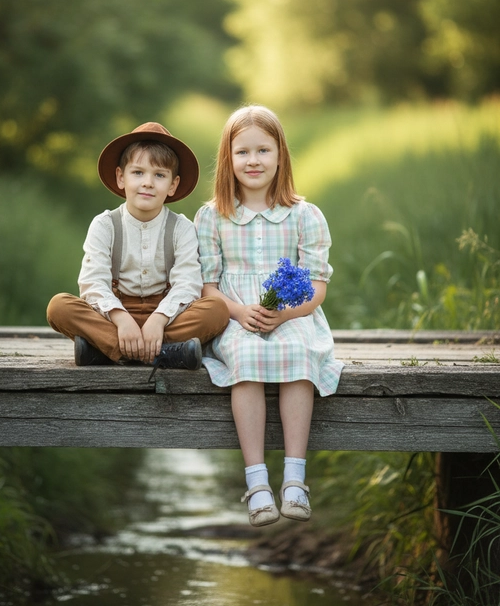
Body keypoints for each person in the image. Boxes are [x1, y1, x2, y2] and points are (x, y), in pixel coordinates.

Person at [194, 105, 344, 527]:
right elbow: (208, 287)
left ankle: (295, 480)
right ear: (228, 158)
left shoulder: (303, 214)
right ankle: (257, 483)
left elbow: (317, 286)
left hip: (292, 315)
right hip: (234, 314)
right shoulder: (212, 217)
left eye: (264, 149)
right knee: (245, 358)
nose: (254, 160)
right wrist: (239, 311)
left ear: (281, 156)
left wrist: (285, 315)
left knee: (299, 353)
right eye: (243, 152)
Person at [47, 122, 230, 375]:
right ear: (121, 177)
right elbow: (93, 283)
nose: (148, 183)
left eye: (159, 175)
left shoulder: (181, 228)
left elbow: (187, 283)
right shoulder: (105, 225)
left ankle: (105, 351)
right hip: (114, 315)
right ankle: (164, 353)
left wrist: (158, 319)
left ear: (173, 185)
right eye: (138, 173)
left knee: (217, 310)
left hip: (167, 318)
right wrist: (121, 319)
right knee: (59, 307)